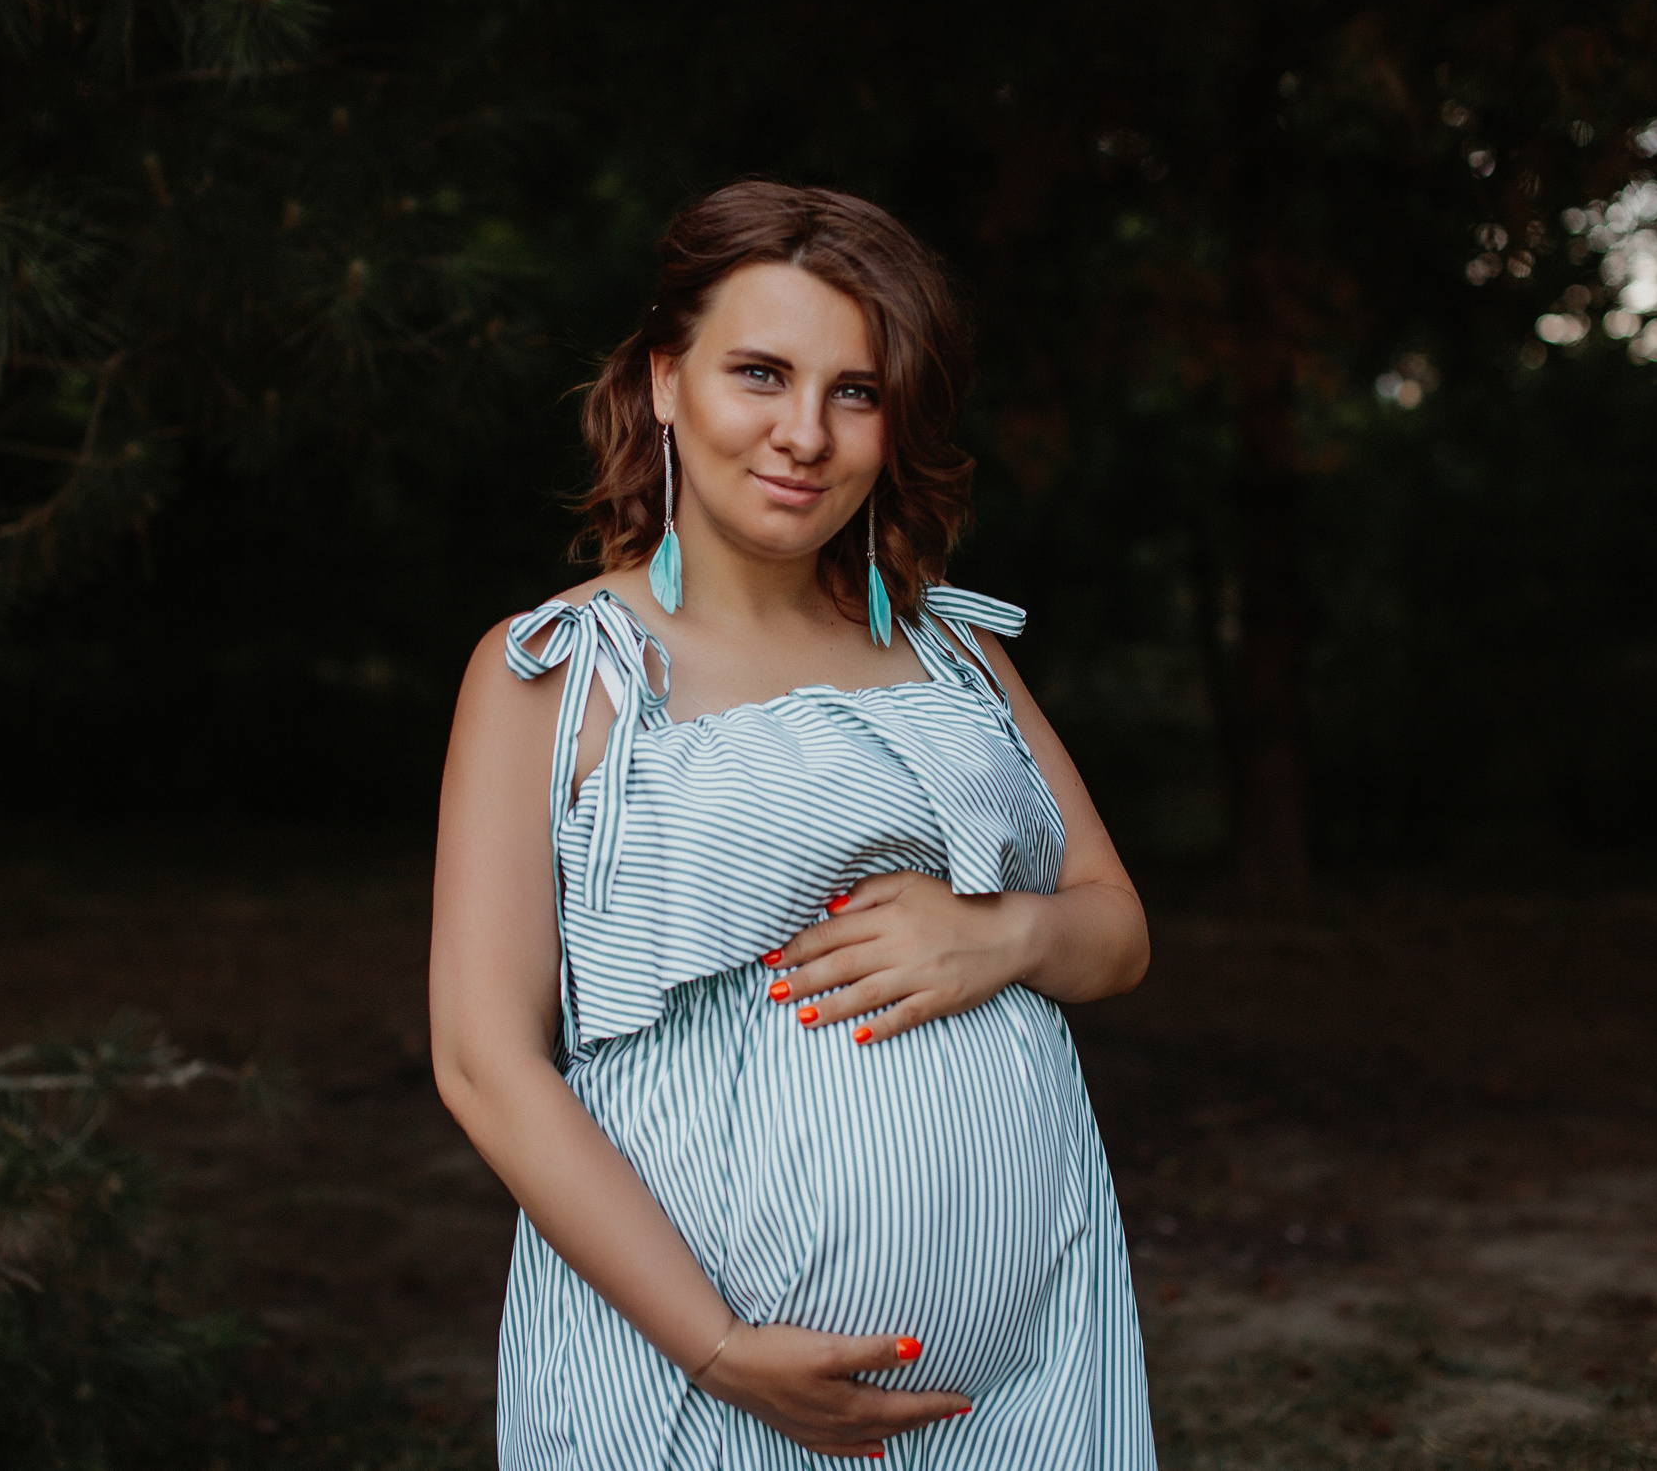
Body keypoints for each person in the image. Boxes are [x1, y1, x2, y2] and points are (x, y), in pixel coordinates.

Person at [431, 180, 1155, 1468]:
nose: (805, 434)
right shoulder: (558, 674)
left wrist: (1007, 936)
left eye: (855, 392)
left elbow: (1117, 932)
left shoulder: (955, 653)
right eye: (760, 373)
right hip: (688, 1381)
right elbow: (486, 1062)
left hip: (1034, 1372)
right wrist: (715, 1345)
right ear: (666, 382)